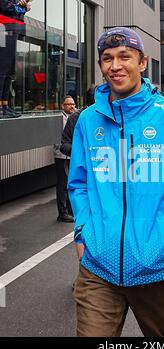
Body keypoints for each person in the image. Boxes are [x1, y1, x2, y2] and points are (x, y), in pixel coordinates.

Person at [68, 27, 164, 337]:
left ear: (142, 62)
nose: (115, 65)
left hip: (156, 269)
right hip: (98, 268)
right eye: (107, 58)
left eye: (125, 56)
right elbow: (79, 184)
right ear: (100, 65)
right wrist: (83, 232)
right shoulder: (87, 120)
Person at [60, 86, 96, 259]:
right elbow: (64, 144)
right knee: (83, 225)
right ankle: (85, 271)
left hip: (106, 181)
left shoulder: (113, 116)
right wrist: (81, 152)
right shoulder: (77, 119)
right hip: (83, 177)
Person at [0, 0, 31, 119]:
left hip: (12, 29)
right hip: (3, 29)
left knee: (9, 69)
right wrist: (23, 8)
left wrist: (21, 5)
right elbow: (5, 7)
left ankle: (5, 105)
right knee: (3, 68)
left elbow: (15, 10)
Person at [54, 95, 76, 222]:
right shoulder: (60, 118)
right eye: (69, 104)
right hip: (61, 156)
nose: (72, 106)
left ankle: (69, 210)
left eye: (73, 104)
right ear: (63, 106)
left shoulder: (74, 117)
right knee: (62, 184)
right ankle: (62, 213)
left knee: (70, 182)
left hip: (70, 155)